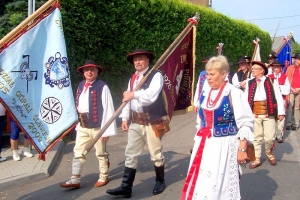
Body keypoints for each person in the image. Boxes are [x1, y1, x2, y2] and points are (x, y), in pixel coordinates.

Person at [181, 56, 254, 200]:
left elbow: (246, 123)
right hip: (205, 145)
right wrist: (197, 142)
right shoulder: (205, 93)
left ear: (223, 74)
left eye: (212, 74)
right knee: (203, 182)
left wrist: (242, 149)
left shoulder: (234, 93)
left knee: (221, 183)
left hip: (225, 146)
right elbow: (200, 122)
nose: (208, 77)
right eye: (207, 74)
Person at [106, 49, 169, 198]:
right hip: (136, 121)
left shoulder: (156, 75)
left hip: (152, 121)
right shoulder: (133, 78)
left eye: (141, 59)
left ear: (147, 61)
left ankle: (160, 180)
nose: (138, 62)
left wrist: (133, 94)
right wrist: (125, 117)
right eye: (135, 60)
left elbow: (151, 96)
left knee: (155, 154)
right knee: (130, 154)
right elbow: (127, 99)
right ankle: (126, 187)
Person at [60, 60, 117, 189]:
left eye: (92, 69)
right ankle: (75, 179)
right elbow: (78, 107)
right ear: (83, 73)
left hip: (98, 127)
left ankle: (103, 176)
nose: (89, 72)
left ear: (97, 72)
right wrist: (77, 124)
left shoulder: (103, 86)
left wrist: (106, 130)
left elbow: (108, 108)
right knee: (78, 152)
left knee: (101, 153)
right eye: (87, 70)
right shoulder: (81, 85)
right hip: (82, 126)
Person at [245, 61, 285, 169]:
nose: (252, 70)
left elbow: (278, 96)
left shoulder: (271, 81)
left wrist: (281, 112)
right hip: (254, 113)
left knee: (270, 138)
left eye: (254, 69)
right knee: (256, 138)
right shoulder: (250, 82)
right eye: (252, 69)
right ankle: (257, 158)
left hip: (269, 112)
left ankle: (269, 153)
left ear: (261, 71)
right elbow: (245, 98)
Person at [268, 61, 290, 143]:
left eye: (278, 67)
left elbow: (287, 89)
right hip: (272, 100)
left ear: (280, 68)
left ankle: (279, 135)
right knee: (272, 118)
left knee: (281, 118)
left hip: (282, 99)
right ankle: (272, 135)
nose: (276, 69)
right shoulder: (269, 77)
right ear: (272, 68)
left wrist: (279, 88)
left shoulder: (284, 77)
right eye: (275, 67)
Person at [285, 52, 300, 130]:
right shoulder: (290, 68)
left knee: (297, 107)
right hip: (291, 89)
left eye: (297, 59)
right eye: (296, 59)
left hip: (299, 90)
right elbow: (286, 80)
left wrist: (299, 89)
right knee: (289, 106)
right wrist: (291, 88)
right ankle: (289, 123)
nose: (296, 61)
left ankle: (296, 123)